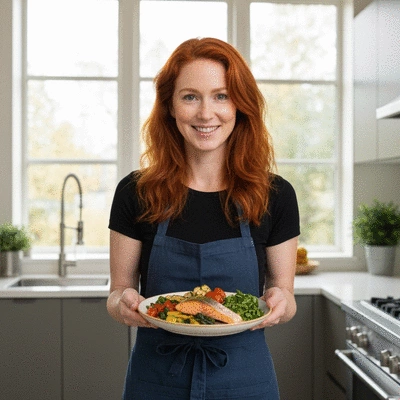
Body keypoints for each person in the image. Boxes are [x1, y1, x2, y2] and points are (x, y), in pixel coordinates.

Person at [107, 37, 300, 400]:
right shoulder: (136, 192)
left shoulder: (276, 195)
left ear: (240, 106)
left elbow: (285, 294)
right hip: (156, 377)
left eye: (221, 96)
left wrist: (280, 302)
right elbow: (117, 292)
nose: (206, 113)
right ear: (170, 106)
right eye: (190, 96)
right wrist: (123, 303)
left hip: (245, 379)